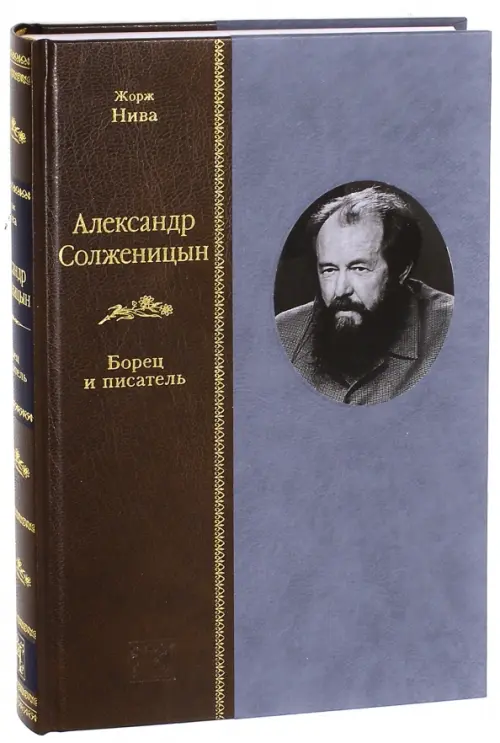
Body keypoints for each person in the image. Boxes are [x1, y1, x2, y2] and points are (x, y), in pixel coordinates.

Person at [275, 186, 454, 405]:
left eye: (359, 268)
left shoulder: (451, 328)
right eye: (329, 270)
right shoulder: (283, 332)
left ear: (401, 271)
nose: (341, 290)